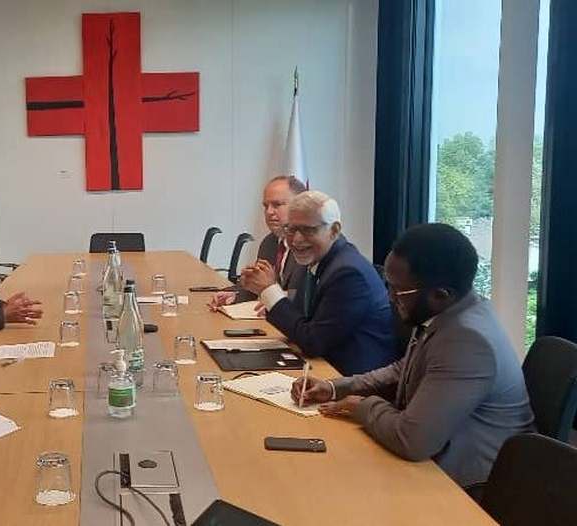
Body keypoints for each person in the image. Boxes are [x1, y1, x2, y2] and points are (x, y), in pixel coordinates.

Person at [293, 224, 535, 487]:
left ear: (440, 295)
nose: (390, 297)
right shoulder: (451, 312)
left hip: (466, 487)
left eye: (398, 290)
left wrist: (361, 406)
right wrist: (335, 388)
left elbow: (411, 440)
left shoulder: (467, 341)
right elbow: (403, 369)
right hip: (433, 459)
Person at [241, 190, 397, 375]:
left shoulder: (348, 273)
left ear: (334, 230)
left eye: (308, 230)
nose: (296, 240)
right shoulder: (315, 258)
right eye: (291, 229)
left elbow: (313, 342)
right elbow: (302, 319)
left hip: (349, 378)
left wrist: (269, 290)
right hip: (320, 367)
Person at [209, 175, 307, 308]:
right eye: (266, 206)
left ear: (300, 206)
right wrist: (235, 295)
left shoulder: (308, 247)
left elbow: (305, 297)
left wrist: (272, 296)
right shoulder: (270, 242)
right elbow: (258, 286)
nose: (269, 212)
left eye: (277, 205)